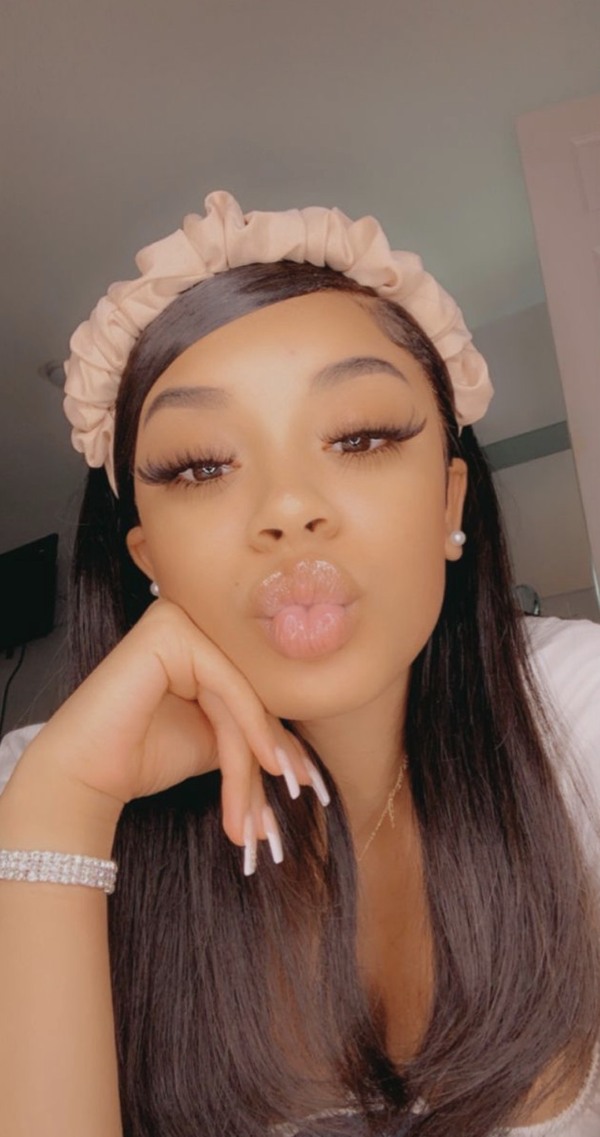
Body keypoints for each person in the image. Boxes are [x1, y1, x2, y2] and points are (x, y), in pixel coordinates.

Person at [0, 191, 599, 1137]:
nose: (287, 507)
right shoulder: (36, 784)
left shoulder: (578, 711)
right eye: (201, 465)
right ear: (147, 555)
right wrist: (62, 806)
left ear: (451, 500)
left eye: (360, 437)